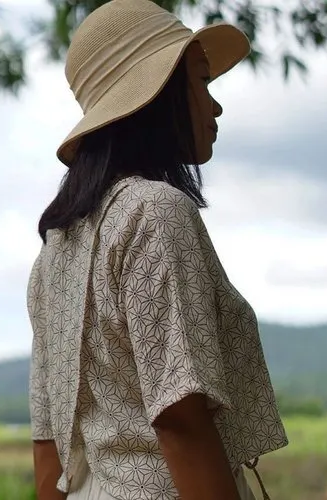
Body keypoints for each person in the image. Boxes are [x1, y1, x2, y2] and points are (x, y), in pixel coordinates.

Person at [27, 1, 288, 499]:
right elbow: (181, 421)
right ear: (160, 90)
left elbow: (50, 447)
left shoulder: (53, 254)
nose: (215, 105)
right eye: (201, 81)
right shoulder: (154, 213)